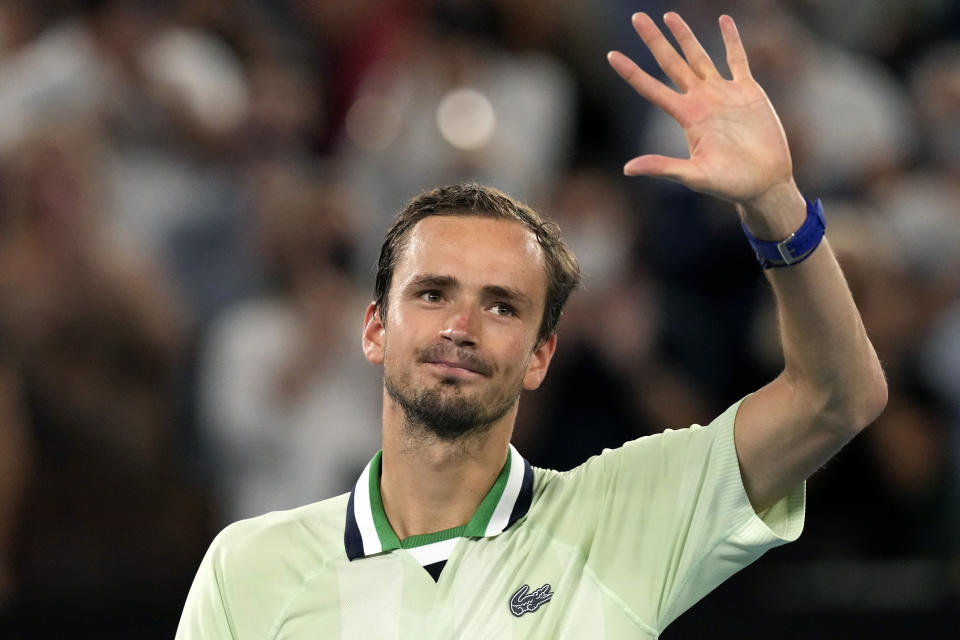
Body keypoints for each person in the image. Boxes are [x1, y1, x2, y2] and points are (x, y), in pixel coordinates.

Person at [175, 12, 887, 638]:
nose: (461, 324)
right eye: (431, 293)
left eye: (501, 305)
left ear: (541, 354)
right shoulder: (247, 569)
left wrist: (776, 204)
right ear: (374, 330)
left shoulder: (620, 518)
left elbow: (838, 397)